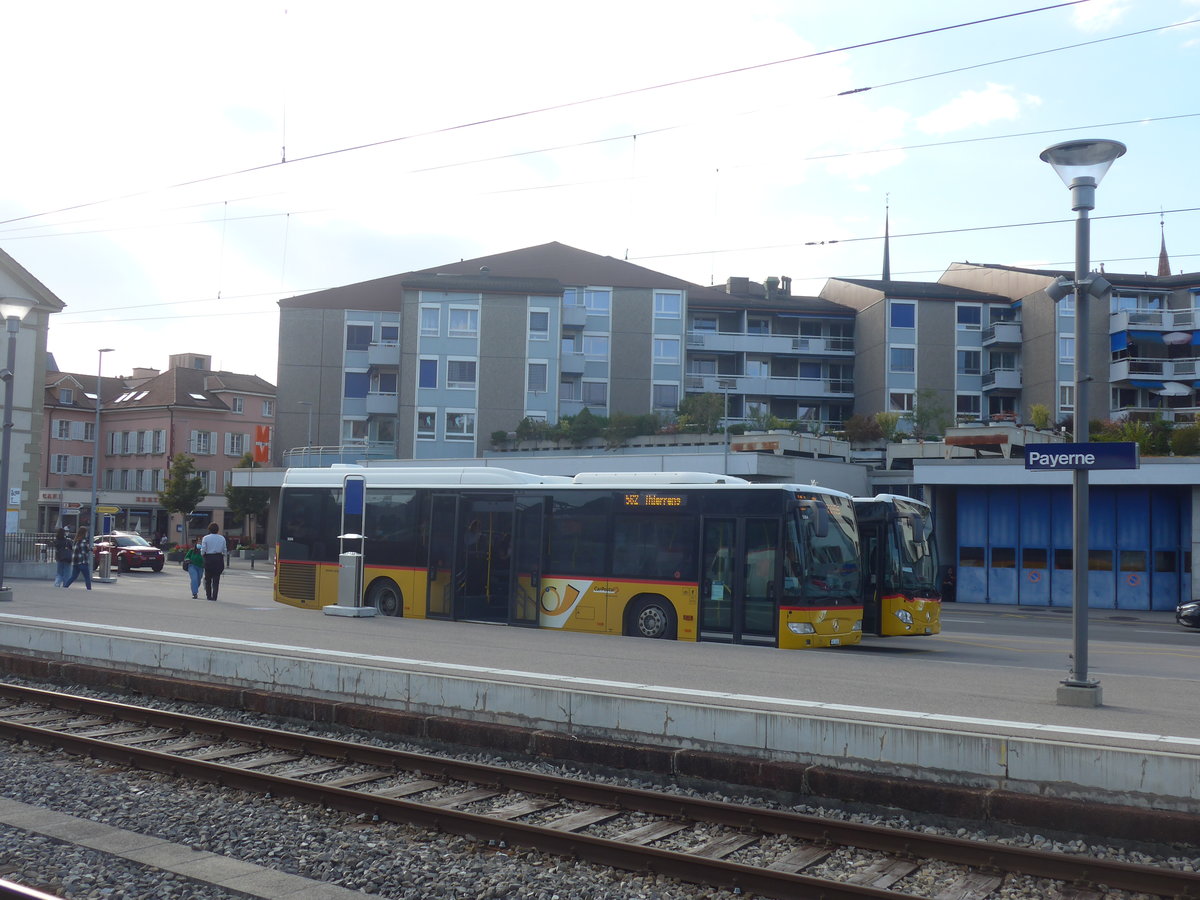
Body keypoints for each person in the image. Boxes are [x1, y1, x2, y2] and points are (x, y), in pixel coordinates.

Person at [200, 522, 228, 601]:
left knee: (208, 579)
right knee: (216, 579)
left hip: (209, 558)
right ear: (217, 530)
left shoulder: (205, 538)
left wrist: (203, 555)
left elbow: (203, 550)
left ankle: (208, 596)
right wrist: (224, 555)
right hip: (218, 558)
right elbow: (224, 549)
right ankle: (214, 596)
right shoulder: (222, 538)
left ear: (209, 529)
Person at [62, 526, 93, 590]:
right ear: (84, 533)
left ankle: (65, 586)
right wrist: (90, 549)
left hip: (75, 562)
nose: (87, 534)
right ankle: (89, 589)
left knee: (73, 576)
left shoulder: (76, 541)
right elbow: (84, 552)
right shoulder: (83, 541)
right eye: (86, 533)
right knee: (87, 577)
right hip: (82, 562)